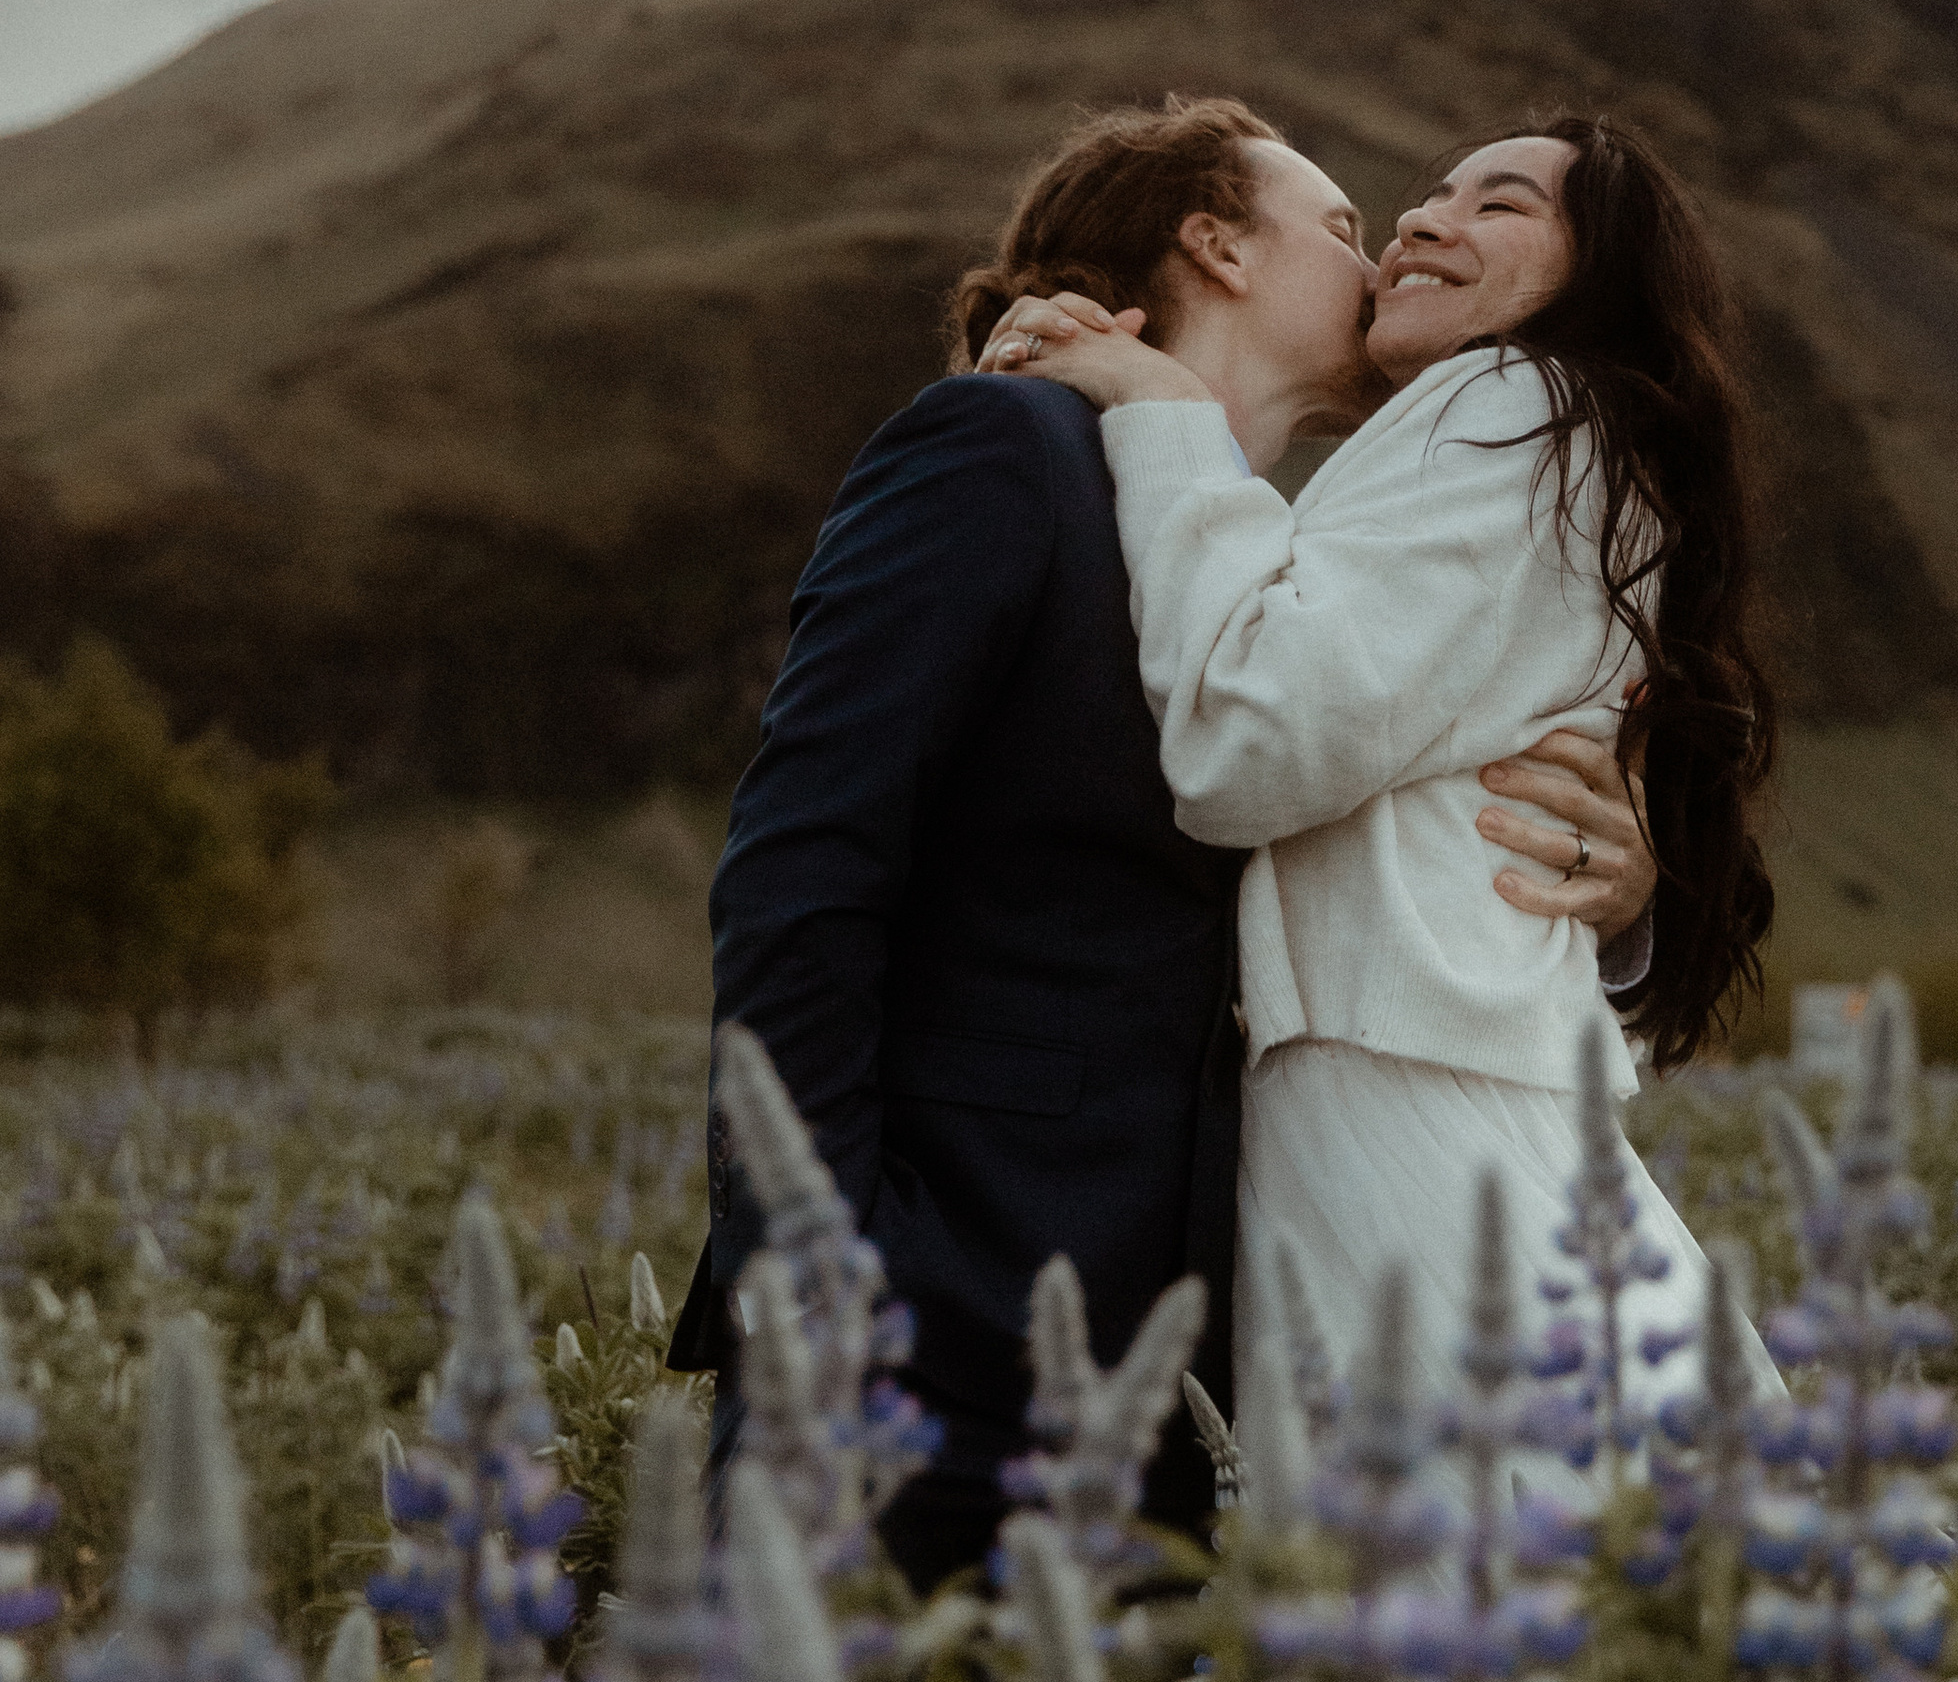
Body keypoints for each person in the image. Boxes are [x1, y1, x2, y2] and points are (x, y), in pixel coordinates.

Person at [665, 96, 1658, 1588]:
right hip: (924, 1300)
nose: (1387, 242)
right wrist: (811, 1256)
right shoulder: (1003, 449)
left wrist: (1620, 894)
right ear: (1216, 246)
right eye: (1340, 225)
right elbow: (804, 866)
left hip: (1187, 1361)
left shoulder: (1261, 546)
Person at [983, 110, 1784, 1457]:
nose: (1425, 221)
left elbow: (1252, 745)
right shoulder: (1537, 444)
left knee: (1477, 1579)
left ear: (1597, 275)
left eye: (1503, 205)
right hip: (1430, 1068)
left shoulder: (1516, 402)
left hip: (1386, 1079)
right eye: (1427, 196)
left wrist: (1166, 414)